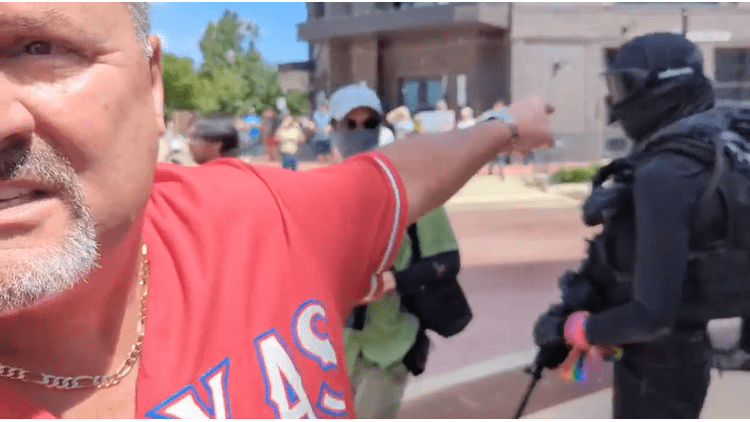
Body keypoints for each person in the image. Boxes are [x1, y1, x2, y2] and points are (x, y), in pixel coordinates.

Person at [0, 3, 552, 418]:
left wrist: (503, 129)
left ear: (152, 86)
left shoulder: (259, 216)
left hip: (388, 353)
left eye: (38, 48)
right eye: (348, 124)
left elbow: (395, 179)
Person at [532, 32, 739, 418]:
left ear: (663, 87)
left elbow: (651, 316)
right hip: (692, 348)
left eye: (624, 86)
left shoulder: (666, 174)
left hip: (661, 368)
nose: (616, 101)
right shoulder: (716, 149)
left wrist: (571, 330)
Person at [329, 84, 471, 418]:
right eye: (350, 124)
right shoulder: (325, 190)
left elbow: (448, 261)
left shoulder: (409, 187)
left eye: (369, 123)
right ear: (333, 128)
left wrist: (395, 279)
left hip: (389, 344)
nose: (360, 133)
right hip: (333, 348)